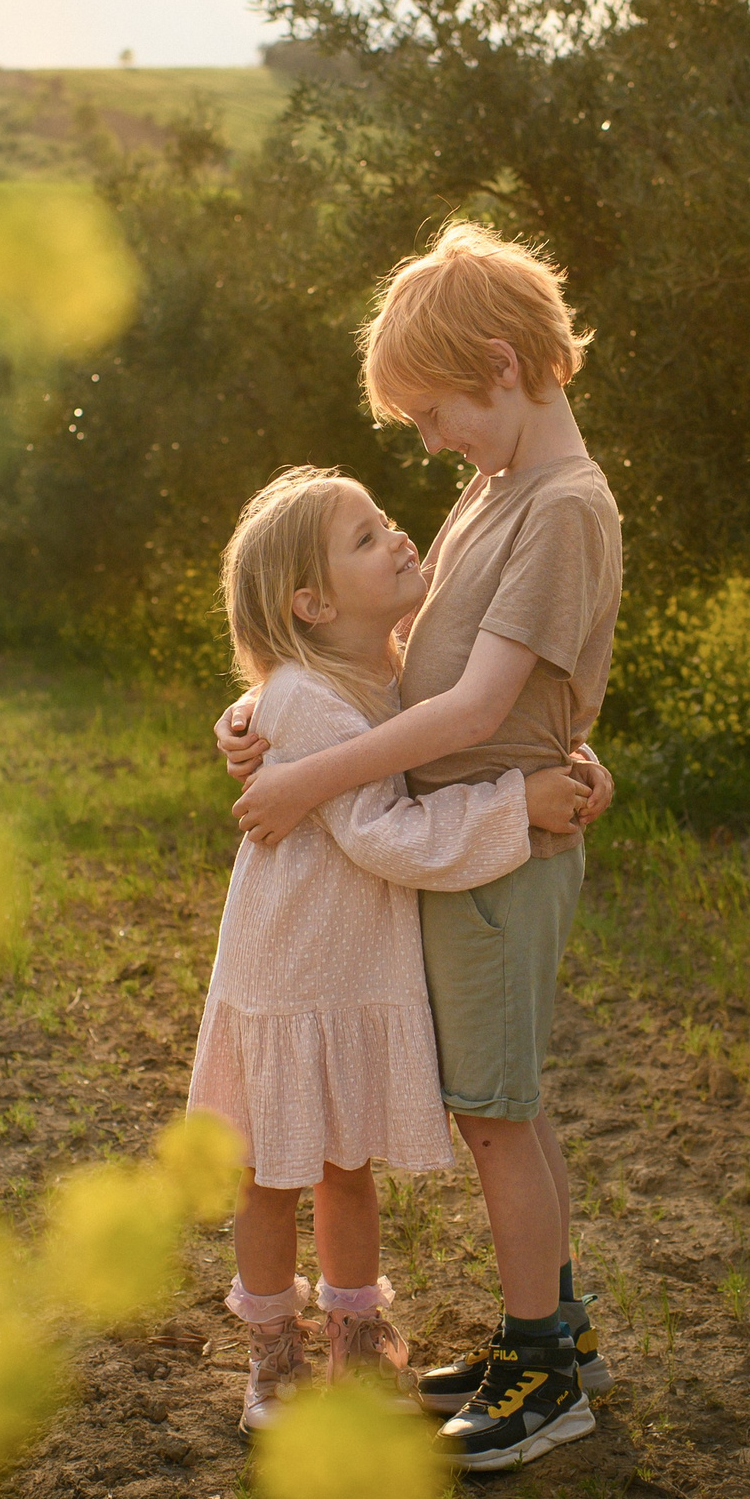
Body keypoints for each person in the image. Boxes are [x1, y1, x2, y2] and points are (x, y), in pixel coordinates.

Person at [216, 221, 623, 1471]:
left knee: (493, 1115)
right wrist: (268, 706)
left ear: (502, 366)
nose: (432, 441)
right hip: (472, 839)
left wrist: (303, 780)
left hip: (497, 849)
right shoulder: (497, 490)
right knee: (509, 1103)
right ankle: (555, 1329)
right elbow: (397, 663)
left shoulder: (560, 507)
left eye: (437, 412)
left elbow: (472, 711)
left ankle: (543, 1372)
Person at [188, 465, 592, 1434]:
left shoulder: (387, 675)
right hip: (296, 970)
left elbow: (463, 733)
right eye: (366, 536)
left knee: (345, 1166)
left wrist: (564, 765)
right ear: (312, 602)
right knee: (274, 1172)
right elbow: (386, 833)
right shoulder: (310, 699)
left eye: (384, 522)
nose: (398, 536)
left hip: (348, 965)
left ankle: (359, 1334)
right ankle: (274, 1354)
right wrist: (513, 807)